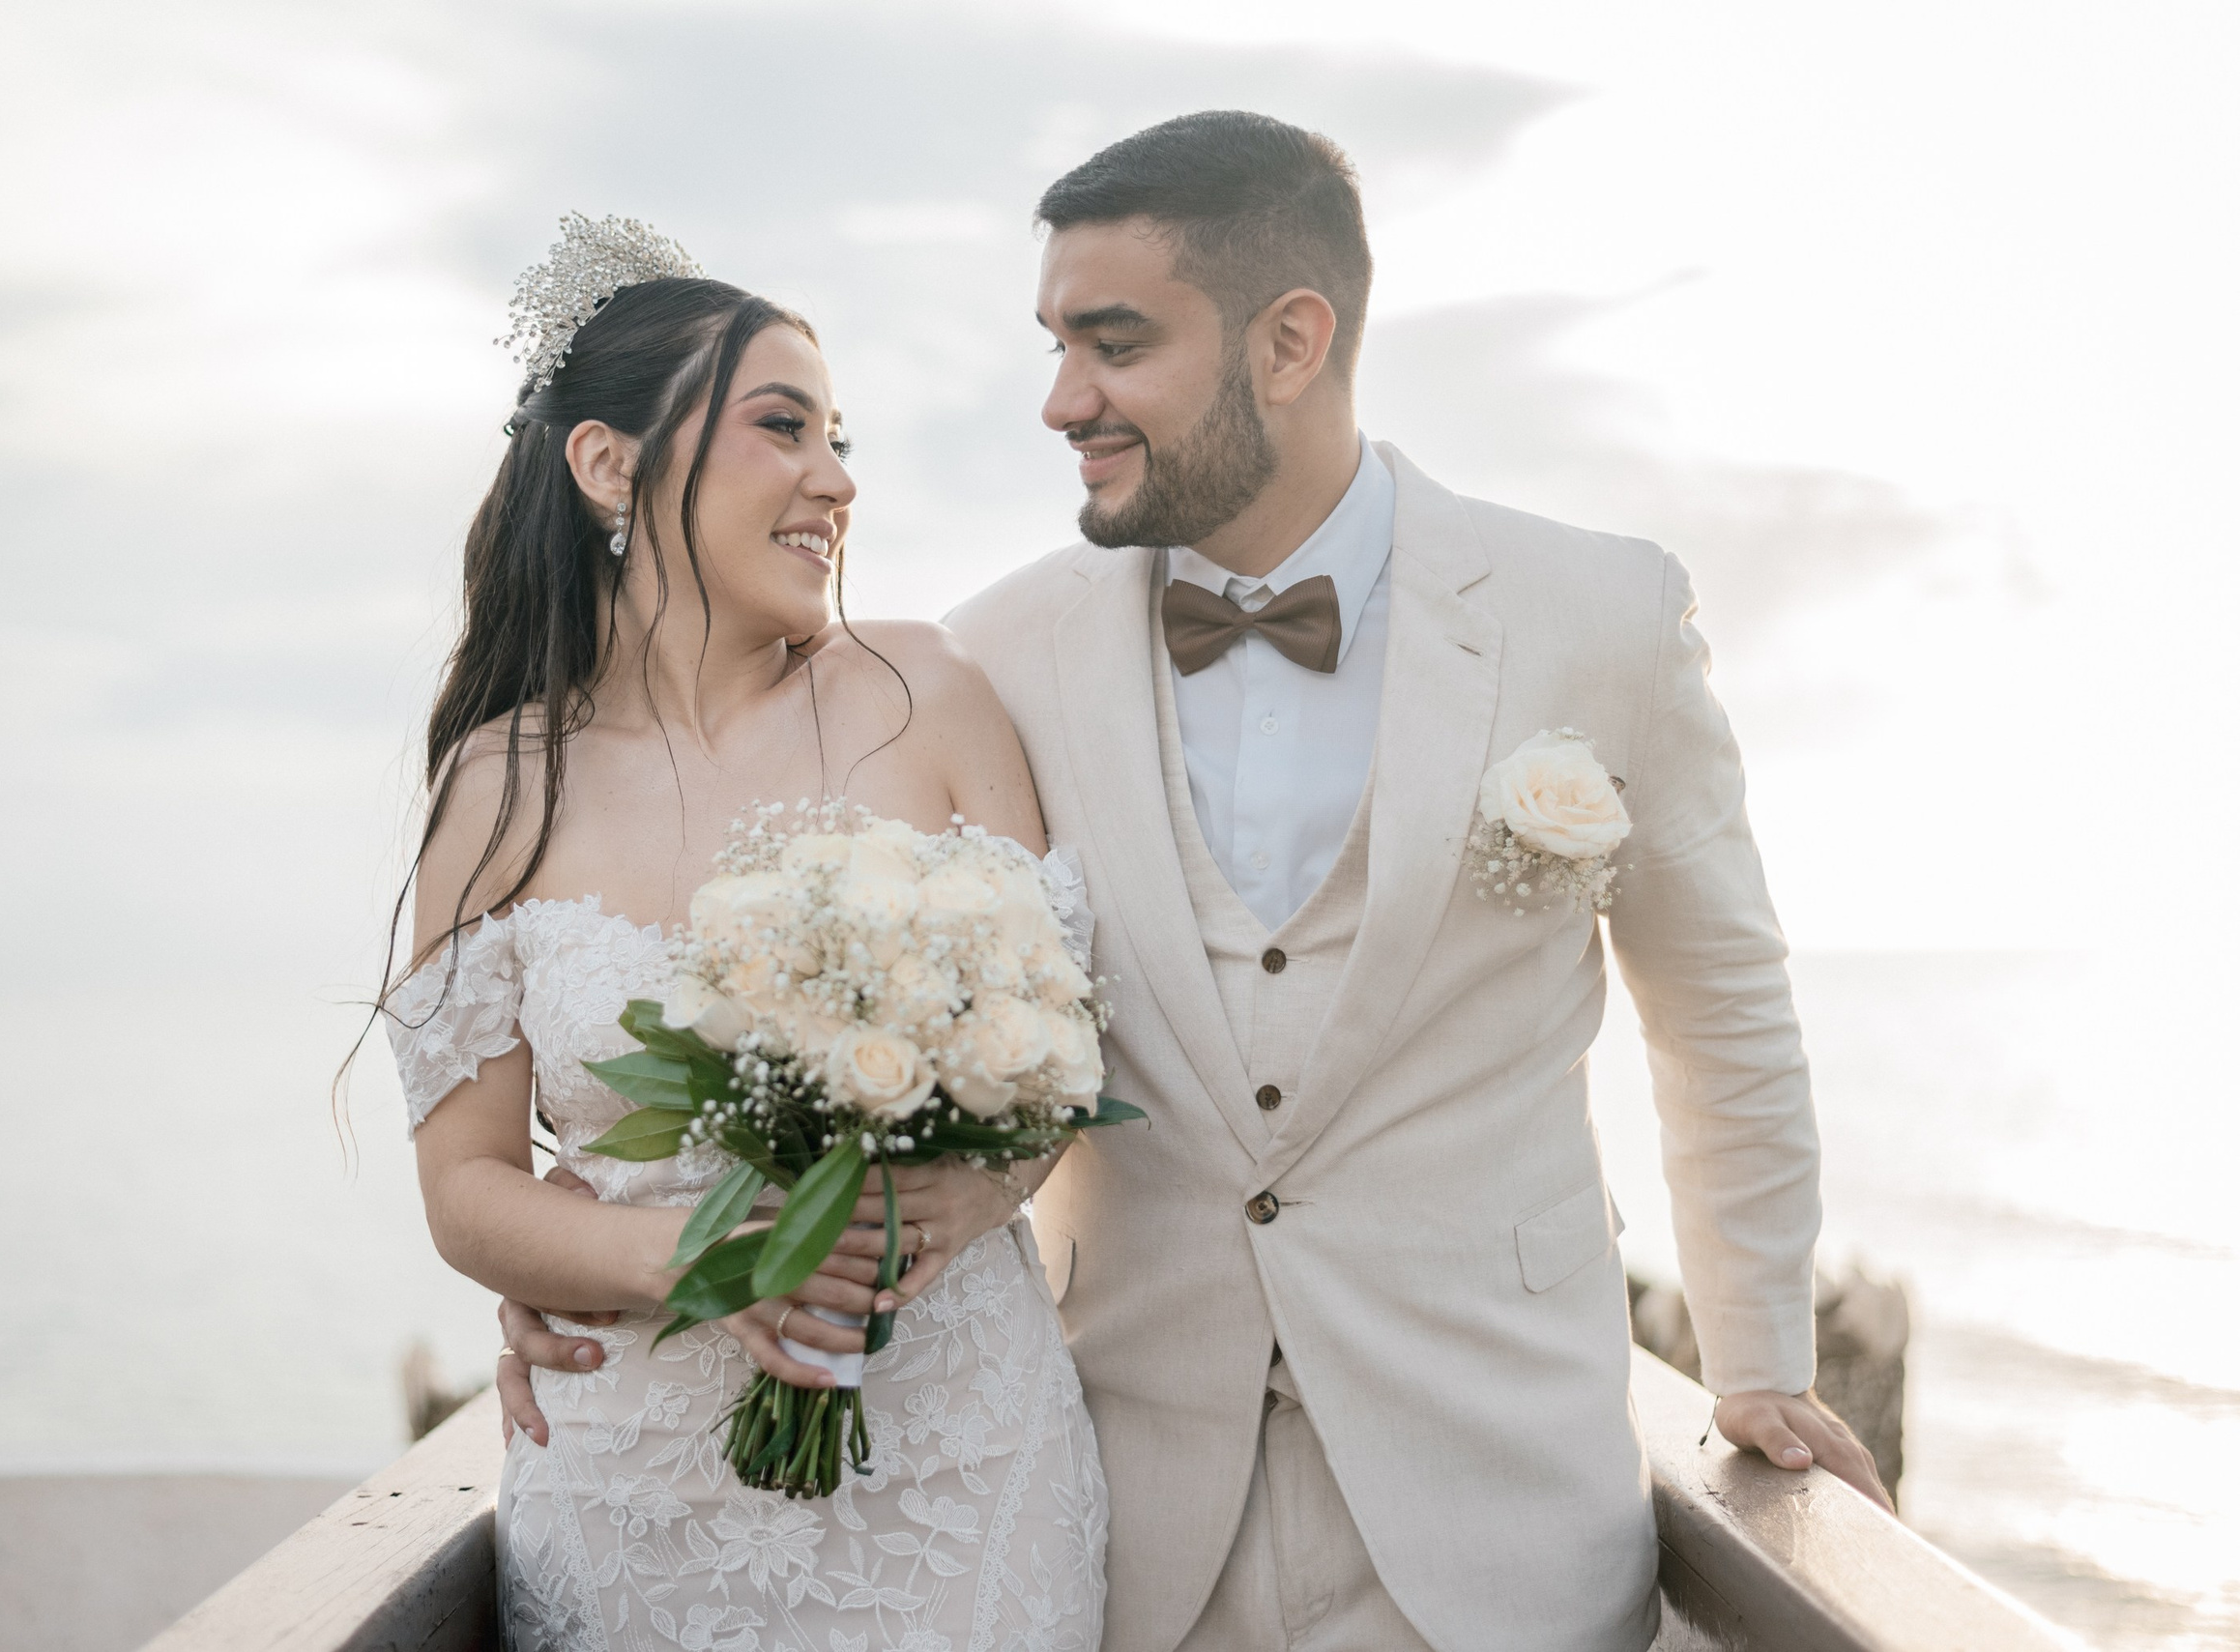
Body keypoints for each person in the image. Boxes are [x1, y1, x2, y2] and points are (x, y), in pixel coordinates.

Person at [500, 115, 1889, 1652]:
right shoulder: (985, 659)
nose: (1060, 400)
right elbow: (727, 910)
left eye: (1112, 343)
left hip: (1502, 1517)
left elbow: (1722, 1012)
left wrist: (1760, 1360)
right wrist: (616, 1262)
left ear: (1291, 340)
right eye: (1054, 343)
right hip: (1134, 1524)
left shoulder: (1596, 612)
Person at [387, 220, 1105, 1652]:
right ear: (609, 463)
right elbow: (466, 1187)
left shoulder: (927, 690)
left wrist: (937, 1206)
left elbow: (1060, 1064)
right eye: (783, 429)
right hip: (634, 1496)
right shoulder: (496, 788)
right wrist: (712, 1262)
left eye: (841, 440)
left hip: (954, 1472)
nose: (835, 481)